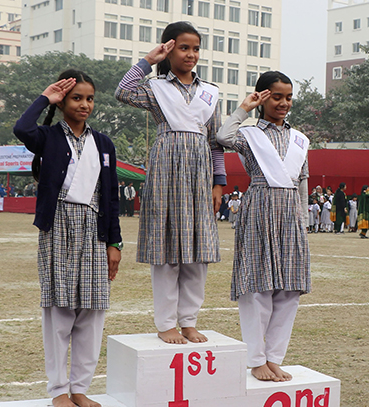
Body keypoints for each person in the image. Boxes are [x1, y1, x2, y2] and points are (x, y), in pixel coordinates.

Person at [14, 71, 122, 407]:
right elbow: (22, 128)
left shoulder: (103, 144)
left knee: (91, 312)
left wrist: (114, 243)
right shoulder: (47, 136)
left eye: (89, 98)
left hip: (94, 229)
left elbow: (111, 197)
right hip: (58, 226)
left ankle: (80, 389)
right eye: (77, 98)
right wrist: (46, 97)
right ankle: (59, 390)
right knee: (59, 312)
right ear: (64, 102)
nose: (84, 105)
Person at [116, 22, 226, 344]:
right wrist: (149, 60)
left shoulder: (211, 93)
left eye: (195, 48)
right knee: (166, 250)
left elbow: (216, 142)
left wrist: (219, 183)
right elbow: (123, 90)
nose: (190, 54)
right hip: (166, 169)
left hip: (200, 174)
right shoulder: (155, 88)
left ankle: (189, 320)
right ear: (169, 49)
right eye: (183, 47)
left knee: (198, 250)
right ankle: (166, 323)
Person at [216, 70, 310, 382]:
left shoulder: (300, 140)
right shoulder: (250, 135)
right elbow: (222, 136)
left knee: (289, 288)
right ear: (263, 97)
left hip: (290, 214)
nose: (283, 103)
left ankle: (274, 358)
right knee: (257, 286)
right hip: (258, 208)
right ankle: (256, 359)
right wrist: (245, 107)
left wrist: (303, 222)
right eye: (276, 96)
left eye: (288, 97)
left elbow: (302, 182)